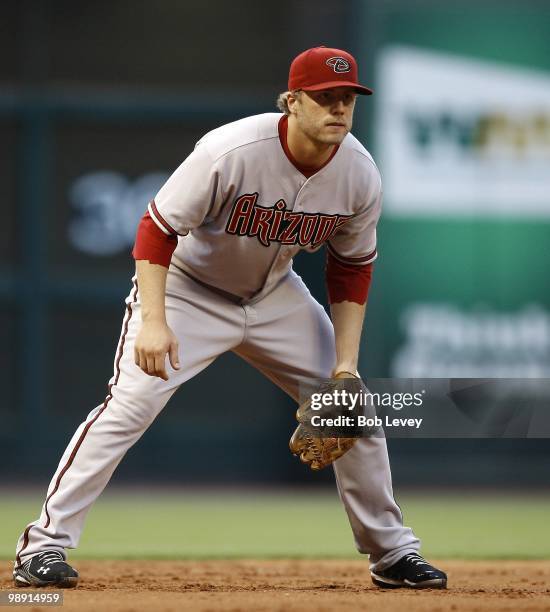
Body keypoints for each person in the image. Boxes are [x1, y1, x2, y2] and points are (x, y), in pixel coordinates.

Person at [13, 46, 447, 590]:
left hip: (274, 296)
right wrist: (153, 319)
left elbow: (351, 270)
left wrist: (345, 368)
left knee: (351, 412)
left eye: (346, 98)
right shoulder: (232, 149)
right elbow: (156, 229)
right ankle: (43, 547)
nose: (338, 108)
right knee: (128, 406)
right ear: (291, 102)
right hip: (187, 291)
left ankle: (392, 555)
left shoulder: (359, 174)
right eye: (323, 97)